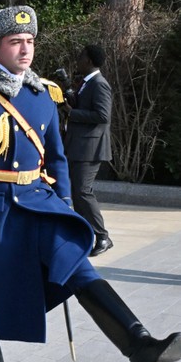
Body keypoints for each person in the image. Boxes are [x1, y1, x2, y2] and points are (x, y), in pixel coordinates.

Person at [0, 5, 181, 362]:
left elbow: (58, 159)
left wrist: (66, 207)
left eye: (30, 41)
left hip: (39, 205)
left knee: (79, 267)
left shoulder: (43, 93)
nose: (25, 49)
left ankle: (139, 344)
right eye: (15, 42)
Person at [62, 45, 113, 256]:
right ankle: (85, 234)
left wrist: (71, 113)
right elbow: (81, 104)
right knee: (77, 192)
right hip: (78, 146)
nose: (78, 59)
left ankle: (103, 236)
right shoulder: (86, 83)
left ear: (90, 61)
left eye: (81, 57)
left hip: (90, 148)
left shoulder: (100, 85)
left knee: (83, 191)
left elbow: (102, 116)